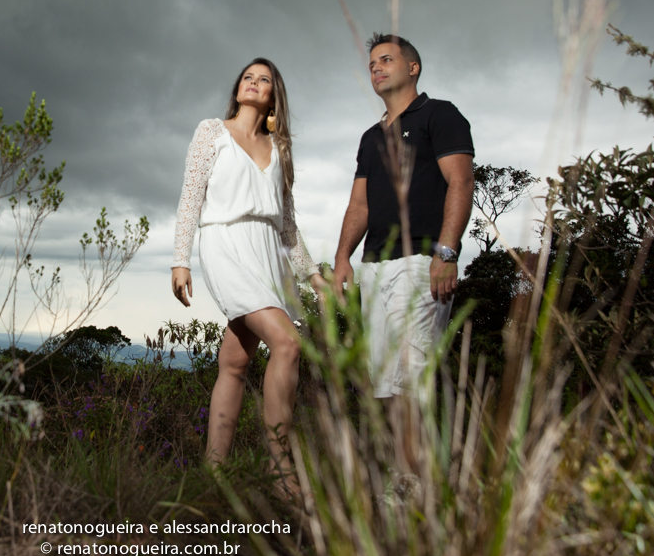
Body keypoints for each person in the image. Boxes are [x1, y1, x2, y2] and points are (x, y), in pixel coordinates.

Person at [172, 58, 326, 488]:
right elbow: (190, 198)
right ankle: (281, 471)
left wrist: (313, 276)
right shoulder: (211, 132)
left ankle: (215, 471)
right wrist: (180, 258)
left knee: (235, 362)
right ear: (238, 88)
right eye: (248, 77)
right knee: (287, 343)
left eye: (264, 79)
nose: (254, 83)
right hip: (225, 244)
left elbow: (288, 224)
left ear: (274, 94)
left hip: (268, 253)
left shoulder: (280, 149)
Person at [330, 33, 474, 400]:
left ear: (413, 68)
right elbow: (359, 206)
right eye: (372, 64)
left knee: (412, 380)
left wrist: (447, 253)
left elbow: (461, 181)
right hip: (375, 268)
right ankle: (399, 461)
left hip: (422, 263)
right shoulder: (369, 137)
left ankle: (425, 460)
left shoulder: (439, 114)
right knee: (385, 386)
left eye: (386, 60)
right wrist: (342, 256)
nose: (376, 67)